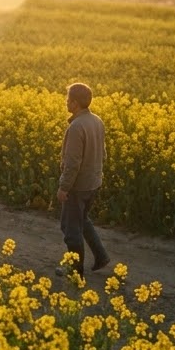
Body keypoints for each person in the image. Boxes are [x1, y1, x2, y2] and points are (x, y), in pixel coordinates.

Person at [56, 82, 110, 276]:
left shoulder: (77, 127)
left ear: (75, 103)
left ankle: (75, 270)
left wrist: (64, 187)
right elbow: (103, 154)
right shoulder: (97, 121)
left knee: (70, 228)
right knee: (82, 220)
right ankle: (101, 256)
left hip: (78, 186)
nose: (66, 103)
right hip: (94, 183)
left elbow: (72, 163)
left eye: (68, 99)